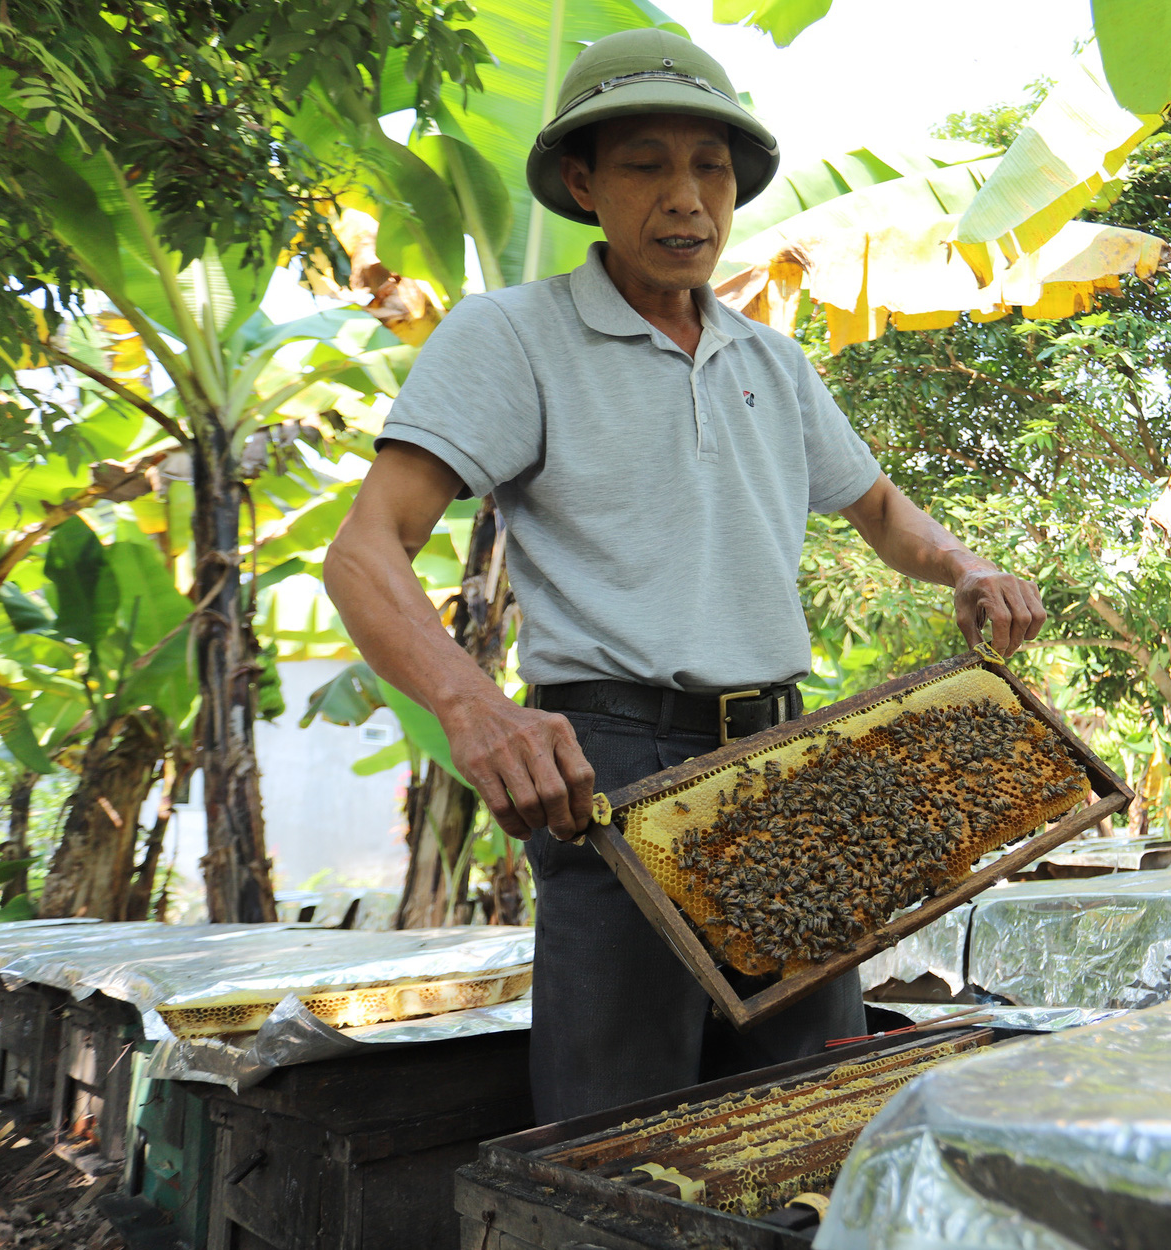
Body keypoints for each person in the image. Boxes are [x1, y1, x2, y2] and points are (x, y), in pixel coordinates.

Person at [324, 27, 1046, 1123]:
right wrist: (474, 707)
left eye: (709, 166)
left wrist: (965, 565)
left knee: (802, 1118)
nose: (686, 198)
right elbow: (363, 548)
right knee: (624, 1132)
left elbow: (882, 512)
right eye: (646, 163)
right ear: (582, 181)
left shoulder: (771, 358)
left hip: (790, 764)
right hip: (614, 770)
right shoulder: (511, 336)